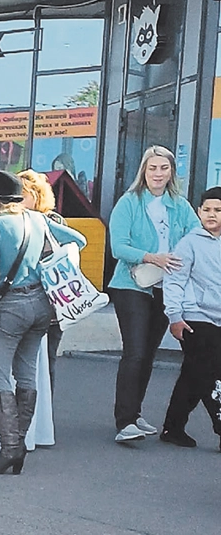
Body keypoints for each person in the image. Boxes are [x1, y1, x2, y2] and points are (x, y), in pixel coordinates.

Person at [0, 170, 85, 475]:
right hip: (41, 303)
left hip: (11, 305)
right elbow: (79, 240)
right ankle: (18, 446)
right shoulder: (37, 219)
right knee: (26, 372)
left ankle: (10, 448)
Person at [107, 145, 199, 446]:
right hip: (131, 285)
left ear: (172, 172)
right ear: (143, 171)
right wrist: (151, 257)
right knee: (134, 352)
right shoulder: (129, 202)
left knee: (147, 354)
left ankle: (134, 414)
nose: (158, 174)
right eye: (152, 168)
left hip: (165, 287)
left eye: (164, 168)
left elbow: (197, 237)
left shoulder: (180, 205)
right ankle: (124, 422)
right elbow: (118, 247)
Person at [159, 186, 221, 448]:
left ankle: (172, 428)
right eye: (207, 209)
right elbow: (174, 281)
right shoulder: (189, 243)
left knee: (193, 374)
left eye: (218, 210)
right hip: (194, 317)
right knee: (210, 373)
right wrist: (174, 316)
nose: (212, 214)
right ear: (198, 211)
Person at [19, 169, 67, 393]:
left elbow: (64, 253)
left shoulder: (52, 221)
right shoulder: (15, 220)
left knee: (46, 359)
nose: (16, 199)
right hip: (22, 302)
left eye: (22, 194)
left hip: (50, 301)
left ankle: (43, 407)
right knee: (23, 361)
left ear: (37, 195)